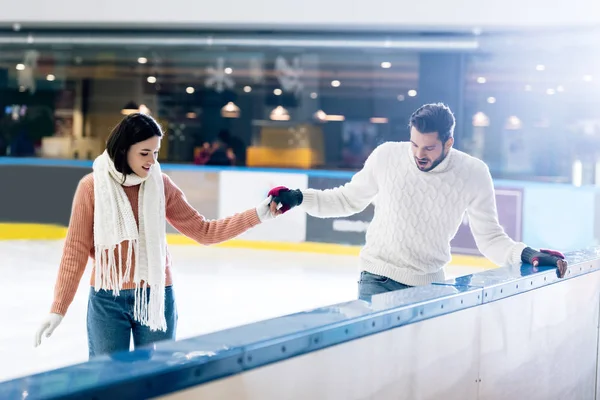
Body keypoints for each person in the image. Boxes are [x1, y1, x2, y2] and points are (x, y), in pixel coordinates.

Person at [34, 113, 281, 357]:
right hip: (107, 299)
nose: (152, 160)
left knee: (155, 380)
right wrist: (58, 308)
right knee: (106, 382)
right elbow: (75, 249)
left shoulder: (160, 185)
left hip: (156, 297)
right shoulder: (92, 187)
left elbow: (205, 232)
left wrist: (258, 214)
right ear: (123, 150)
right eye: (144, 153)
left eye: (155, 153)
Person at [268, 103, 568, 301]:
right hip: (377, 279)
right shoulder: (387, 156)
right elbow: (347, 200)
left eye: (429, 147)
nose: (418, 154)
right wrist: (298, 197)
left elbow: (489, 238)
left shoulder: (473, 173)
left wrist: (524, 253)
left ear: (448, 143)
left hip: (430, 286)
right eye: (413, 144)